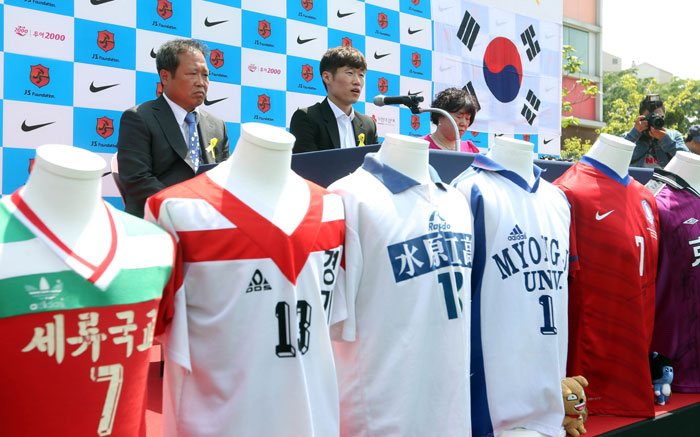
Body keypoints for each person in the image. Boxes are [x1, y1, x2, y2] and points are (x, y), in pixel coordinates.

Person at [117, 38, 230, 217]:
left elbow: (225, 179)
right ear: (165, 77)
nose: (201, 82)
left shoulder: (217, 126)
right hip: (160, 220)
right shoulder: (139, 118)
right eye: (193, 74)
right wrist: (184, 208)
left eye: (205, 75)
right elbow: (137, 180)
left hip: (209, 221)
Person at [290, 46, 378, 153]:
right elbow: (306, 167)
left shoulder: (369, 125)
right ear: (327, 77)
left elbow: (373, 168)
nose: (357, 81)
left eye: (361, 75)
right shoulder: (307, 118)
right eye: (350, 73)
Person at [624, 94, 687, 168]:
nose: (655, 120)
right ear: (641, 118)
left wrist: (665, 140)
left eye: (659, 117)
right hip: (637, 178)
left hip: (664, 179)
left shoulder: (674, 135)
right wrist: (635, 132)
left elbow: (688, 160)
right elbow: (615, 155)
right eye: (650, 117)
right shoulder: (629, 136)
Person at [422, 87, 479, 153]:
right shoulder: (420, 146)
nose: (464, 123)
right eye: (459, 116)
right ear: (440, 116)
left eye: (467, 118)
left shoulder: (470, 150)